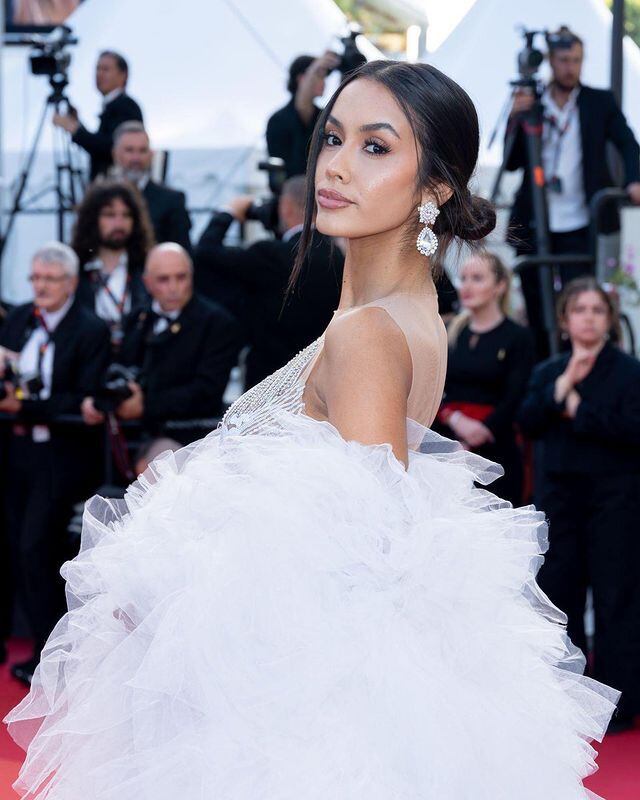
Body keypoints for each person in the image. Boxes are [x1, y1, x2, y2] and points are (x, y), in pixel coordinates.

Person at [6, 62, 617, 798]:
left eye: (376, 147)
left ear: (436, 190)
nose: (335, 164)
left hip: (272, 731)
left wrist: (191, 605)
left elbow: (360, 576)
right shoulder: (398, 313)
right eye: (333, 136)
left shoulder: (367, 333)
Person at [518, 276, 640, 733]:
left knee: (616, 599)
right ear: (566, 320)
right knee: (560, 598)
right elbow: (528, 421)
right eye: (580, 310)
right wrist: (562, 390)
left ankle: (618, 702)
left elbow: (632, 430)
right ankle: (564, 698)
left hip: (616, 502)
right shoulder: (548, 371)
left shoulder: (629, 372)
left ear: (608, 321)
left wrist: (578, 409)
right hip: (560, 503)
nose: (588, 318)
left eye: (597, 310)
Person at [0, 242, 110, 686]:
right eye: (35, 278)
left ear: (70, 283)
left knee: (35, 548)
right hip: (15, 451)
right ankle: (28, 647)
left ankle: (53, 656)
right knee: (12, 545)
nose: (40, 287)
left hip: (61, 457)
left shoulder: (90, 330)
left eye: (49, 279)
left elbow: (83, 403)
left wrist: (25, 405)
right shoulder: (19, 318)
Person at [505, 26, 640, 358]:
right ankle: (542, 369)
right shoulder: (533, 102)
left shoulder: (598, 101)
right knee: (535, 297)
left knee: (578, 296)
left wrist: (634, 180)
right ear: (551, 61)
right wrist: (515, 118)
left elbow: (627, 142)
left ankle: (575, 362)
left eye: (577, 60)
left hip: (580, 218)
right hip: (536, 216)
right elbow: (511, 162)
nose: (571, 67)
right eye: (564, 60)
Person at [82, 243, 240, 444]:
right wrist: (100, 401)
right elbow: (119, 368)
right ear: (147, 282)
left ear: (191, 276)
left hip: (191, 436)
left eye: (181, 277)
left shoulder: (217, 323)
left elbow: (206, 391)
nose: (173, 288)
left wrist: (146, 405)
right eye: (163, 279)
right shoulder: (137, 318)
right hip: (134, 433)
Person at [195, 175, 343, 388]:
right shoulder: (338, 256)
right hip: (322, 379)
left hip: (269, 380)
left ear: (286, 208)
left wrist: (228, 212)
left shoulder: (269, 254)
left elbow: (207, 253)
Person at [435, 253, 534, 505]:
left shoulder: (518, 337)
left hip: (496, 445)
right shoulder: (449, 334)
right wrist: (454, 421)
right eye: (464, 278)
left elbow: (515, 395)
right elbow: (435, 387)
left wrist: (481, 431)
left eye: (477, 278)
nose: (466, 286)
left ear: (500, 286)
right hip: (449, 443)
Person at [71, 180, 154, 350]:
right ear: (93, 219)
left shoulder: (147, 267)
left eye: (126, 215)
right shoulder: (75, 269)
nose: (119, 223)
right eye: (109, 215)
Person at [53, 51, 143, 180]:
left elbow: (111, 149)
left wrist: (74, 129)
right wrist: (78, 125)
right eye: (97, 69)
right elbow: (101, 142)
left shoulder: (126, 106)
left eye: (106, 69)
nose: (99, 74)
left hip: (114, 189)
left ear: (123, 75)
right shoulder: (116, 104)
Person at [111, 121, 192, 252]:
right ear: (115, 154)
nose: (136, 158)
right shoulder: (101, 199)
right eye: (129, 150)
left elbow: (182, 253)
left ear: (151, 155)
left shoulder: (172, 200)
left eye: (142, 150)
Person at [266, 52, 340, 183]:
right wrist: (315, 67)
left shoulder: (326, 117)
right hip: (289, 194)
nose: (324, 83)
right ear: (301, 79)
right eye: (319, 76)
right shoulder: (278, 120)